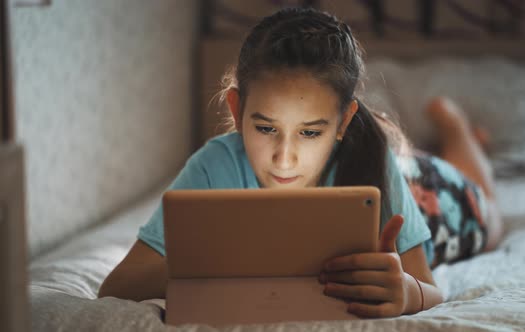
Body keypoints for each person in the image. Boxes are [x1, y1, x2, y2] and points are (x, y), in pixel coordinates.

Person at [98, 7, 503, 318]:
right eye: (266, 128)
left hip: (432, 199)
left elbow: (430, 289)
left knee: (488, 210)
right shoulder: (213, 167)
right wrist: (222, 263)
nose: (284, 157)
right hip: (393, 170)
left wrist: (408, 290)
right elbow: (118, 285)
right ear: (237, 110)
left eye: (309, 132)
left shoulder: (373, 165)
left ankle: (456, 128)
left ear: (343, 121)